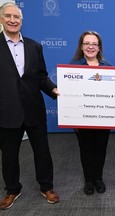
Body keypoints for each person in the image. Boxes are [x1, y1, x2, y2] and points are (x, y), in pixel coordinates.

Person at [0, 2, 60, 210]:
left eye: (16, 17)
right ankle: (12, 190)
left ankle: (47, 186)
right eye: (8, 16)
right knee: (9, 155)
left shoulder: (35, 46)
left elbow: (41, 77)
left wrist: (54, 90)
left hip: (34, 109)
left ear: (21, 21)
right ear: (1, 19)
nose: (12, 20)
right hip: (7, 111)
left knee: (42, 151)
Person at [70, 31, 111, 196]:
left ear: (99, 47)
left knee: (101, 148)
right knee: (85, 149)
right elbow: (69, 95)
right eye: (87, 43)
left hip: (103, 119)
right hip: (82, 119)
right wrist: (72, 119)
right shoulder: (72, 67)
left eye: (94, 44)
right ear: (81, 46)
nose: (90, 47)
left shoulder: (107, 67)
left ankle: (98, 179)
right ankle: (88, 180)